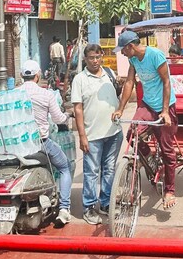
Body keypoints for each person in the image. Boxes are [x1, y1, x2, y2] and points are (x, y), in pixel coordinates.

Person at [112, 30, 178, 210]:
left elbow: (166, 82)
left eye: (123, 50)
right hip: (147, 104)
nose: (122, 53)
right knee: (132, 134)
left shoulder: (155, 55)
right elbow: (129, 83)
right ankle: (149, 159)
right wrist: (120, 109)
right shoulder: (133, 60)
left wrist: (165, 111)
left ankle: (170, 190)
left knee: (167, 150)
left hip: (165, 105)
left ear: (130, 47)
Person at [71, 44, 123, 225]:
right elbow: (78, 109)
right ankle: (89, 207)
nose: (95, 61)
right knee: (91, 172)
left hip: (114, 132)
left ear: (102, 57)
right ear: (85, 59)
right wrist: (82, 136)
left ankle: (106, 203)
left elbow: (117, 95)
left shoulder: (109, 73)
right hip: (92, 136)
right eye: (91, 58)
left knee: (109, 169)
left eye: (98, 57)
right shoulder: (79, 79)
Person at [21, 59, 73, 227]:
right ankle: (64, 209)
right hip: (42, 143)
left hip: (19, 146)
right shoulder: (46, 94)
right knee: (65, 167)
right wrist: (68, 115)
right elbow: (58, 119)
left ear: (22, 76)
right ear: (37, 76)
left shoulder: (14, 93)